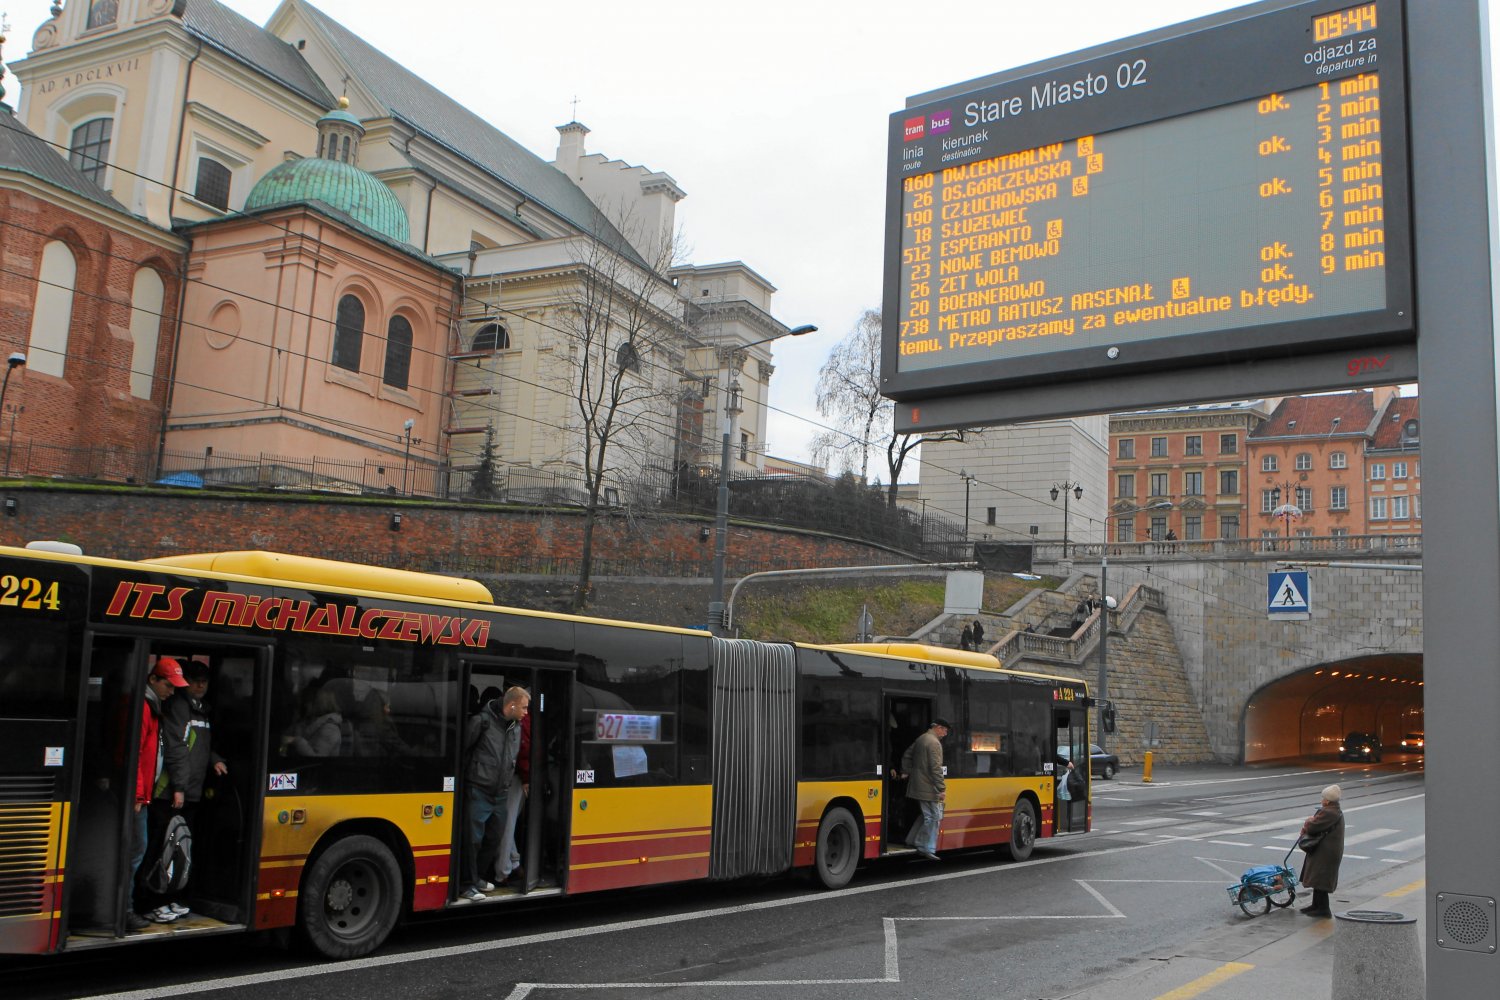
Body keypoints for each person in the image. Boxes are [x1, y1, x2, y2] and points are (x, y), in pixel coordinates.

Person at [145, 659, 227, 923]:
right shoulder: (179, 707)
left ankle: (171, 898)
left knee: (179, 849)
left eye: (205, 682)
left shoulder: (202, 710)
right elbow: (176, 748)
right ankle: (151, 902)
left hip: (191, 791)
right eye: (195, 681)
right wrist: (178, 787)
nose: (200, 686)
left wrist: (214, 759)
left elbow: (199, 745)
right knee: (161, 848)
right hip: (170, 793)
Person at [127, 657, 187, 931]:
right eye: (168, 685)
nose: (172, 692)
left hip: (143, 795)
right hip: (138, 797)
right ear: (153, 679)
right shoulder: (144, 707)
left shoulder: (152, 706)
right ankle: (126, 909)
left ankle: (127, 907)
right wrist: (139, 795)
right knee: (136, 852)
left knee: (138, 851)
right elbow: (135, 754)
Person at [461, 686, 529, 901]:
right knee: (473, 840)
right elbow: (464, 751)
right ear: (512, 705)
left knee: (494, 838)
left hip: (500, 793)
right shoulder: (481, 722)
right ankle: (466, 884)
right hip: (479, 789)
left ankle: (478, 878)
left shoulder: (516, 727)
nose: (526, 712)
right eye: (524, 708)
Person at [900, 718, 949, 861]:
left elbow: (907, 755)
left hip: (917, 784)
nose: (945, 734)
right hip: (927, 786)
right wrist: (941, 788)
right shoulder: (934, 743)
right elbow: (936, 768)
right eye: (945, 730)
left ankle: (911, 840)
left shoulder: (921, 738)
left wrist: (906, 771)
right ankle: (924, 846)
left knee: (926, 815)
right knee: (934, 817)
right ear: (938, 727)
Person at [1298, 783, 1346, 917]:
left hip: (1326, 852)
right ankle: (1316, 905)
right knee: (1318, 878)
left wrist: (1308, 821)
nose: (1322, 800)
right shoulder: (1334, 810)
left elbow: (1313, 827)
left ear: (1328, 800)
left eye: (1323, 798)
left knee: (1321, 879)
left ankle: (1323, 909)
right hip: (1326, 851)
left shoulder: (1329, 812)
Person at [281, 687, 342, 756]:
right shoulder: (305, 723)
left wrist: (295, 740)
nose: (304, 706)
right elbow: (283, 742)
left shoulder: (330, 729)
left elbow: (317, 756)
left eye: (307, 702)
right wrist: (283, 751)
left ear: (320, 704)